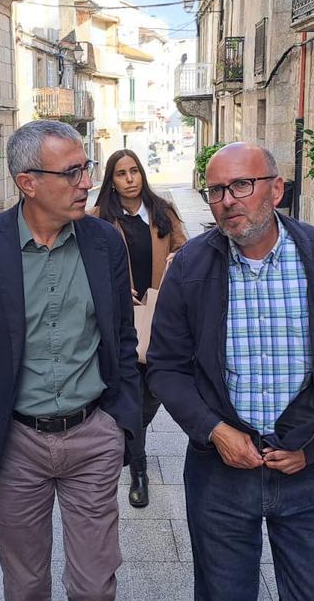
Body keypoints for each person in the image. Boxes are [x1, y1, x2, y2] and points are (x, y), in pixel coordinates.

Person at [148, 142, 314, 601]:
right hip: (219, 472)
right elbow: (166, 368)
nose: (227, 200)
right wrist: (214, 430)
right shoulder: (190, 269)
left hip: (311, 472)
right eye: (217, 190)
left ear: (276, 189)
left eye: (242, 184)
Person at [0, 120, 141, 601]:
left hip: (93, 436)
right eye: (72, 173)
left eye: (86, 168)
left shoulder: (104, 242)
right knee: (24, 586)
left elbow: (123, 340)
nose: (87, 182)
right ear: (28, 183)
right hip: (14, 443)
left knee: (94, 587)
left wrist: (122, 422)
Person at [90, 148, 187, 507]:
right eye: (121, 173)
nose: (130, 179)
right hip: (120, 322)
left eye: (134, 171)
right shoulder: (98, 218)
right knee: (129, 387)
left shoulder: (163, 210)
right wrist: (112, 285)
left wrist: (178, 259)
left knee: (154, 392)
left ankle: (129, 443)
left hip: (160, 318)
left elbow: (186, 251)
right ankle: (139, 469)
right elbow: (86, 265)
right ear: (111, 180)